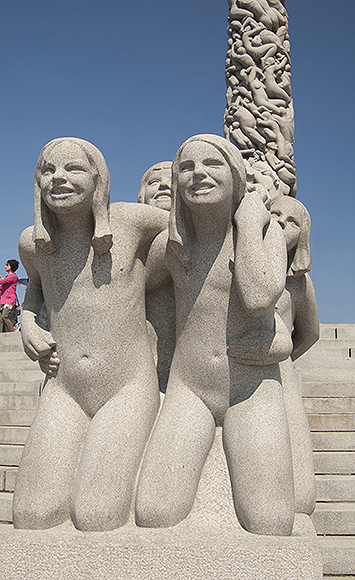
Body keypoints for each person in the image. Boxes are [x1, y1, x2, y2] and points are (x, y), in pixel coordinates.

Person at [136, 134, 294, 536]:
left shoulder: (265, 234)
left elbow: (258, 297)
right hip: (189, 389)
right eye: (186, 167)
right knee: (155, 511)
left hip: (250, 388)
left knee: (270, 521)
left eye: (212, 164)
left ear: (236, 175)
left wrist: (246, 223)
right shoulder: (171, 246)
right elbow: (122, 291)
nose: (198, 174)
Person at [13, 137, 169, 532]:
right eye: (48, 170)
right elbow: (34, 294)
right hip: (64, 387)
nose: (58, 179)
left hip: (127, 387)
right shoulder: (32, 244)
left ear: (98, 179)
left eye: (72, 169)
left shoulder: (132, 221)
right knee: (32, 515)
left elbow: (202, 224)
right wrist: (29, 326)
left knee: (96, 515)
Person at [0, 260, 19, 332]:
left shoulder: (13, 276)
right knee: (1, 319)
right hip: (3, 300)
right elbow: (2, 286)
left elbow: (3, 282)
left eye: (7, 265)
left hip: (9, 300)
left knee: (4, 316)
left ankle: (12, 333)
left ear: (11, 267)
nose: (5, 266)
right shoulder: (8, 277)